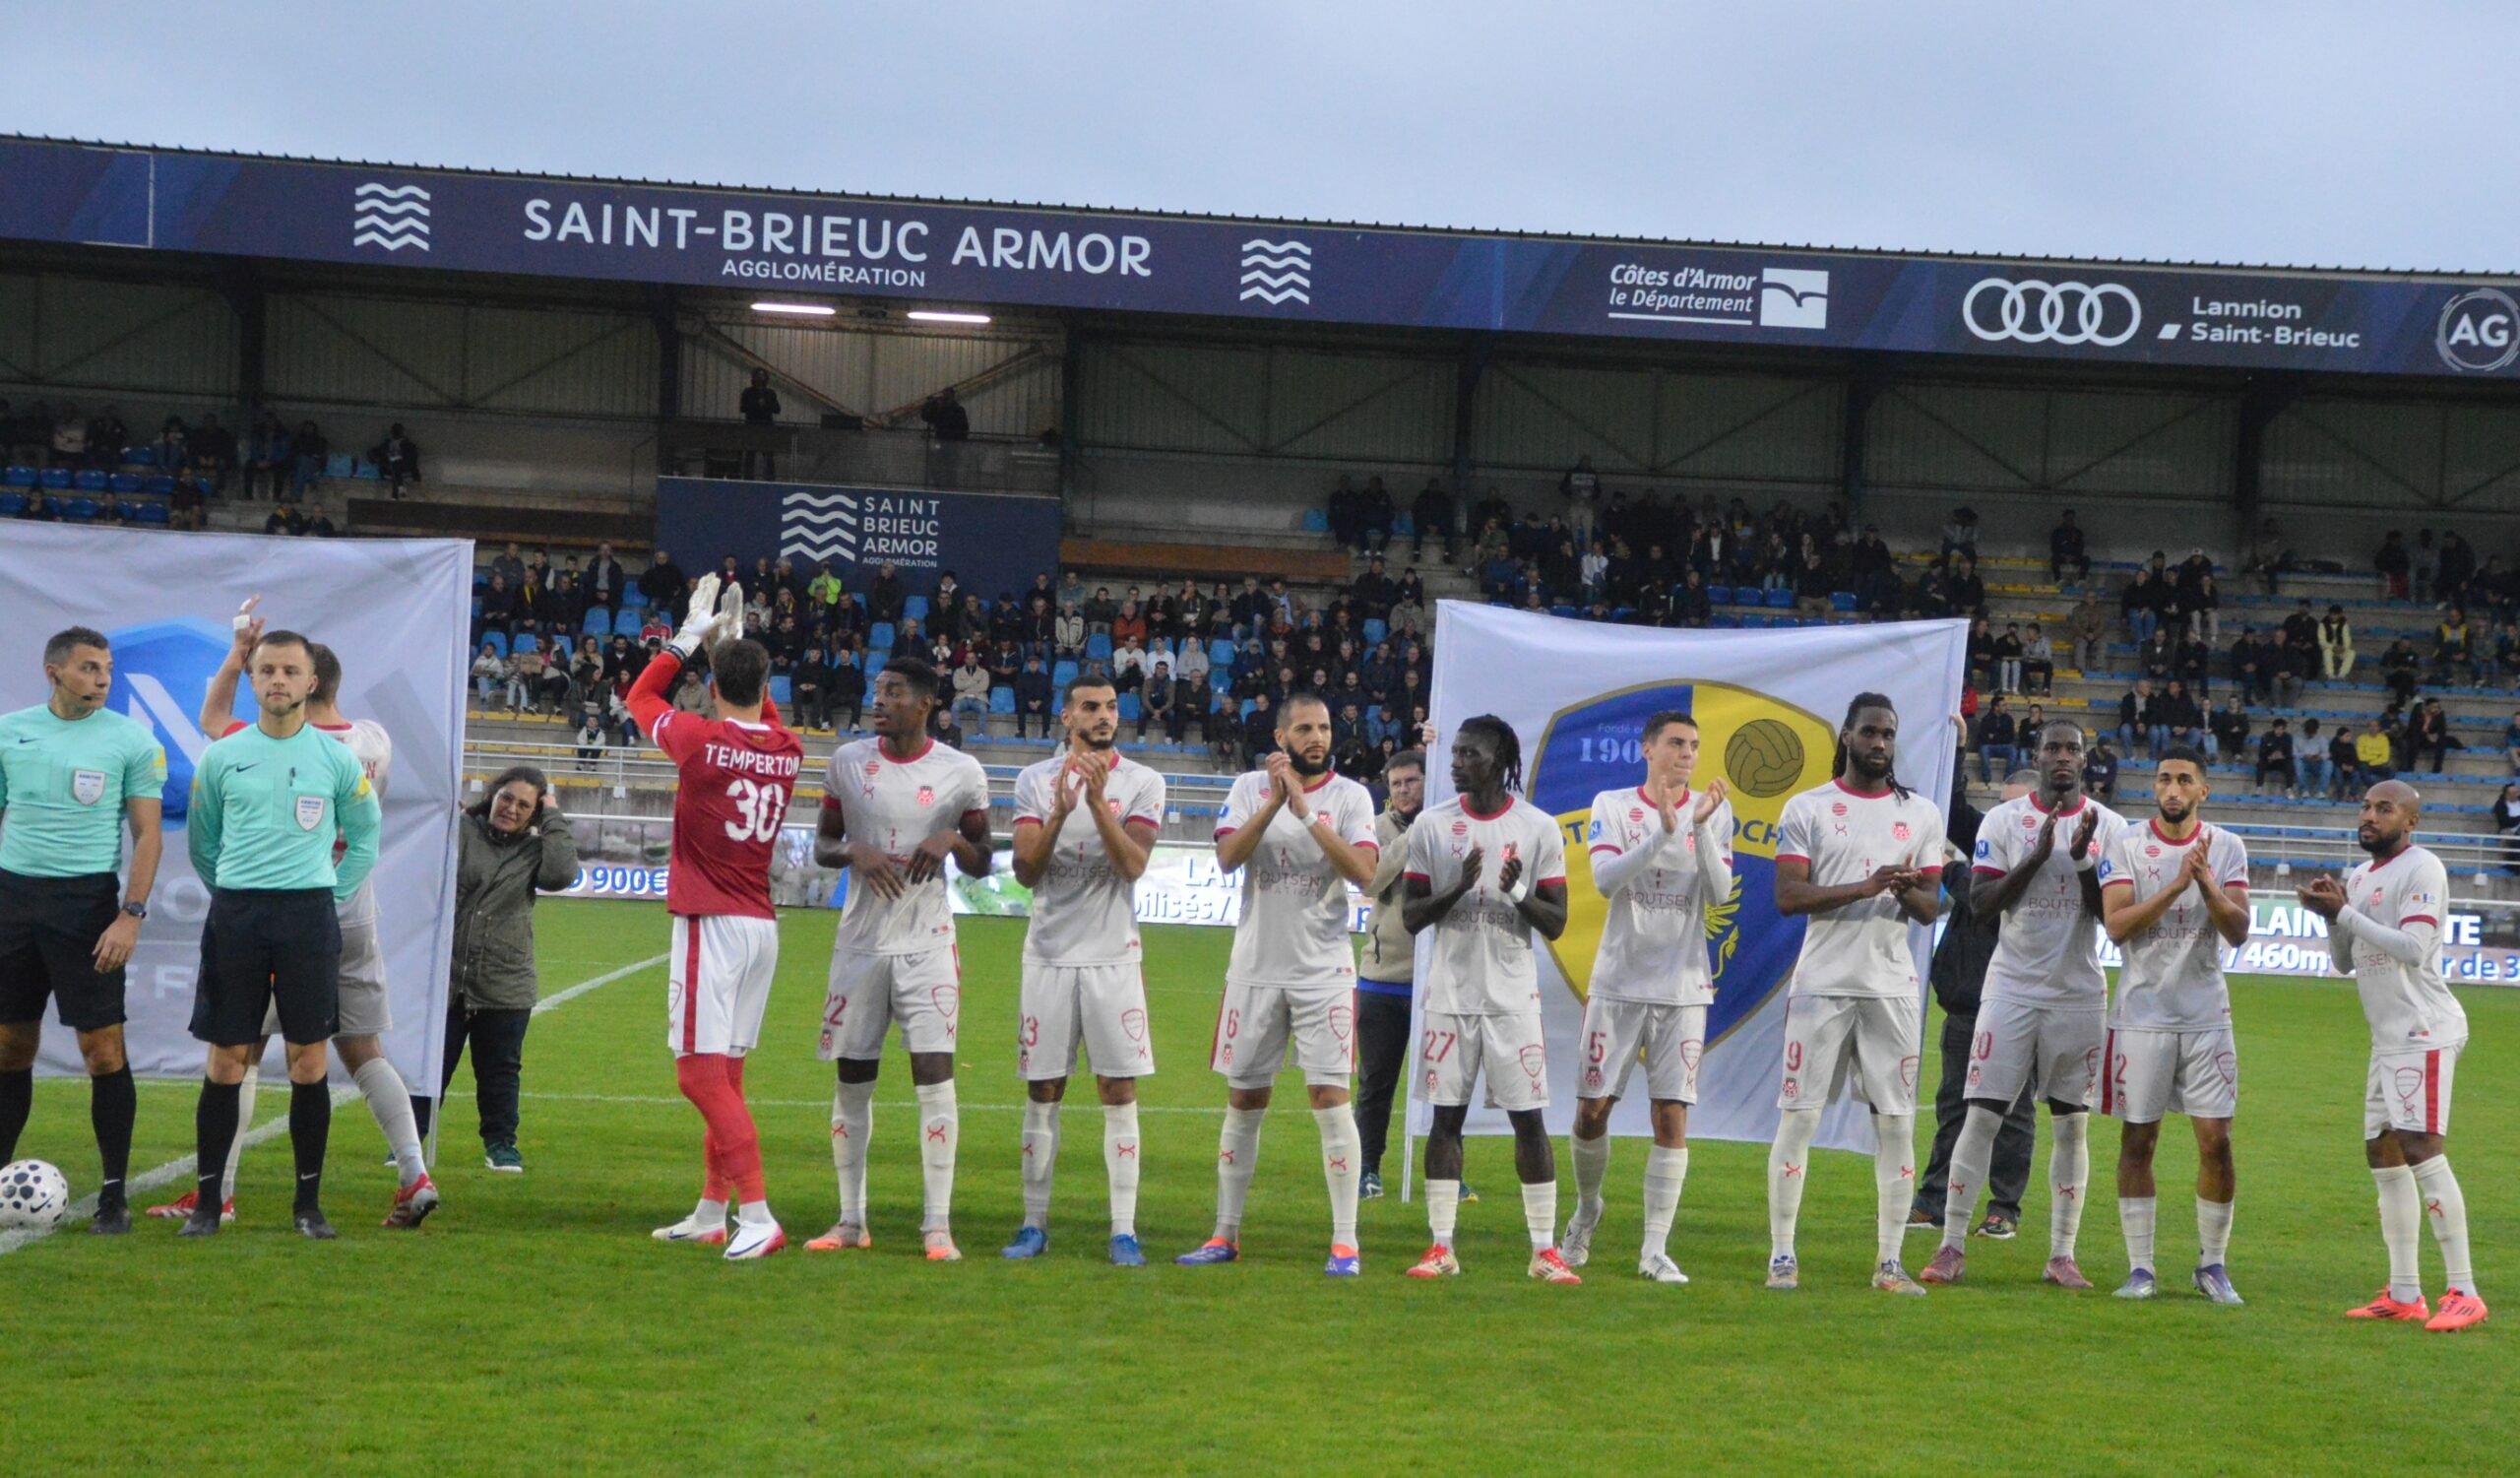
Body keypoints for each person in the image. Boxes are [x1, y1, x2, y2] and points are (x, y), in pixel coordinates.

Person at [159, 620, 437, 1225]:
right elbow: (204, 843)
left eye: (290, 670)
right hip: (269, 915)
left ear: (311, 682)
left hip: (311, 915)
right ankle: (214, 1203)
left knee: (291, 1057)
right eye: (267, 670)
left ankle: (276, 1202)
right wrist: (233, 893)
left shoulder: (329, 757)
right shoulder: (240, 755)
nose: (278, 680)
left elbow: (364, 838)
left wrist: (322, 895)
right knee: (262, 1054)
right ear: (255, 680)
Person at [630, 576, 803, 1260]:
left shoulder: (697, 739)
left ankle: (757, 1214)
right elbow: (763, 715)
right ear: (767, 685)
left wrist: (687, 637)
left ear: (709, 688)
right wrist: (729, 645)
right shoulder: (788, 749)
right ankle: (712, 1210)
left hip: (711, 918)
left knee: (698, 1076)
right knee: (726, 1076)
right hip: (761, 922)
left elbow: (640, 698)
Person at [1178, 695, 1380, 1276]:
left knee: (1329, 1097)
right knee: (1245, 1098)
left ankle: (1345, 1242)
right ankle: (1225, 1234)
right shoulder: (1248, 788)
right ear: (1280, 737)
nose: (1317, 737)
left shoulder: (1351, 796)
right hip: (1255, 970)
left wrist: (1307, 813)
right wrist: (1273, 804)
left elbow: (1365, 874)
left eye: (1324, 727)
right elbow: (1227, 857)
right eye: (1304, 728)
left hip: (1323, 973)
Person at [1922, 721, 2121, 1291]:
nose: (2062, 757)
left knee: (2072, 1126)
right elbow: (1983, 903)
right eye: (2052, 748)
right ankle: (1951, 1245)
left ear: (2083, 760)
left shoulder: (2110, 827)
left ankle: (2062, 1254)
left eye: (2072, 749)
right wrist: (2035, 859)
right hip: (2010, 987)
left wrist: (2080, 861)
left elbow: (2111, 917)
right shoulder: (2004, 822)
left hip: (2078, 993)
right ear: (2037, 756)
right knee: (1982, 1115)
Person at [809, 657, 992, 1261]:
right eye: (878, 690)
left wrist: (953, 839)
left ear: (925, 704)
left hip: (927, 945)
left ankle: (937, 1226)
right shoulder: (847, 762)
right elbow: (822, 844)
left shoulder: (961, 771)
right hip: (860, 945)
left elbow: (984, 860)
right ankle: (850, 1221)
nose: (880, 700)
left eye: (893, 692)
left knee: (934, 1078)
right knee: (852, 1081)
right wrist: (853, 851)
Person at [1767, 693, 1944, 1296]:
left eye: (1888, 734)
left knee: (1895, 1124)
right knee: (1799, 1118)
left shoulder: (1921, 814)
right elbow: (1788, 897)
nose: (1880, 743)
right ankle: (1783, 1254)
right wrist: (1867, 885)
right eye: (1869, 732)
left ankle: (1889, 1263)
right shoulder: (1808, 807)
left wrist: (1901, 889)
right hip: (1821, 984)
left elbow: (1929, 908)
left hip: (1891, 989)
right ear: (1847, 736)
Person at [2297, 781, 2488, 1333]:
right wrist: (2331, 915)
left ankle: (2464, 1291)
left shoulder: (2423, 867)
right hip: (2388, 1038)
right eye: (2365, 806)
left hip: (2423, 1029)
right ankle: (2404, 1292)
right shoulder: (2361, 877)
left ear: (2411, 822)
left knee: (2422, 1148)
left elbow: (2413, 948)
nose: (2370, 816)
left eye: (2384, 808)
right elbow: (2344, 962)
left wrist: (2346, 913)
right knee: (2382, 1153)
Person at [0, 627, 166, 1236]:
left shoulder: (131, 740)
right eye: (90, 668)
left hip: (87, 906)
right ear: (54, 672)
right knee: (10, 1047)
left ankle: (113, 1196)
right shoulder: (8, 731)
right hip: (12, 901)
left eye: (108, 669)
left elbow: (148, 835)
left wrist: (131, 914)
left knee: (102, 1051)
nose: (102, 679)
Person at [1400, 715, 1575, 1283]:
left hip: (1512, 1000)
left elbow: (1556, 922)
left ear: (1499, 760)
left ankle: (1545, 1251)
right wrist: (1457, 885)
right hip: (1449, 998)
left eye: (1469, 754)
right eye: (1455, 753)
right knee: (1444, 1120)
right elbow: (1411, 917)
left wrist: (1516, 889)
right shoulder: (1432, 825)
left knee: (1530, 1123)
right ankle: (1441, 1247)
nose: (1456, 763)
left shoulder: (1538, 827)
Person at [1001, 676, 1167, 1266]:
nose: (1103, 716)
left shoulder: (1143, 782)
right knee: (1043, 1089)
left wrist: (1096, 805)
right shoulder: (1034, 780)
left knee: (1118, 1090)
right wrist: (1059, 813)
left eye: (1111, 707)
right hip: (1047, 956)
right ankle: (1033, 1224)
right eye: (1091, 707)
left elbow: (1133, 865)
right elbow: (1025, 871)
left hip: (1113, 958)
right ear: (1067, 716)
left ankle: (1123, 1230)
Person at [1564, 711, 1734, 1285]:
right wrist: (1663, 832)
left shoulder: (1713, 809)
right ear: (1647, 749)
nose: (1687, 754)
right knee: (1592, 1110)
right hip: (1618, 982)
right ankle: (1587, 1210)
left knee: (1671, 1115)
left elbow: (1720, 892)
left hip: (1683, 986)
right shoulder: (1612, 805)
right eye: (1676, 743)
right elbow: (1605, 879)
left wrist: (1699, 828)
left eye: (1694, 745)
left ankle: (1654, 1249)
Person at [2092, 745, 2252, 1304]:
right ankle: (2141, 1268)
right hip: (2141, 1016)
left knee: (2217, 1143)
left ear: (2203, 790)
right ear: (2154, 787)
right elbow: (2116, 926)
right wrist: (2176, 886)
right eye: (2164, 779)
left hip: (2207, 1016)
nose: (2173, 788)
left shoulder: (2227, 847)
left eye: (2185, 779)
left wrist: (2205, 882)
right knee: (2139, 1139)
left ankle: (2212, 1264)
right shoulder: (2126, 845)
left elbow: (2238, 931)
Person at [410, 768, 578, 1162]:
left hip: (506, 980)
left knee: (500, 1071)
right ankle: (409, 1142)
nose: (511, 809)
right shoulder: (461, 830)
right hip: (447, 975)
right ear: (492, 795)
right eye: (506, 798)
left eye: (524, 805)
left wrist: (553, 815)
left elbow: (560, 874)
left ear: (535, 813)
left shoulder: (534, 851)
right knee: (431, 1066)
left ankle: (501, 1145)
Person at [1911, 768, 2041, 1240]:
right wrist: (1956, 746)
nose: (2004, 815)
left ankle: (2004, 1208)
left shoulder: (2044, 858)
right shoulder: (1992, 838)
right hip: (1965, 1002)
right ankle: (1933, 1202)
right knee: (1952, 1107)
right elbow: (1954, 810)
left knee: (2013, 1112)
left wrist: (1949, 867)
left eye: (2015, 806)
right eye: (2001, 805)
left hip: (2014, 1002)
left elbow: (1986, 899)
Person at [1352, 748, 1422, 1199]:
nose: (1403, 790)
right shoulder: (1374, 829)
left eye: (1412, 781)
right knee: (1376, 1084)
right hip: (1383, 977)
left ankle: (1445, 1173)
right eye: (1396, 784)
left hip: (1438, 979)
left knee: (1444, 1087)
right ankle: (1367, 1168)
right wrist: (1414, 836)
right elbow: (1371, 881)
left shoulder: (1451, 826)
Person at [739, 369, 781, 480]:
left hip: (766, 427)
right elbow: (743, 408)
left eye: (762, 375)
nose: (760, 378)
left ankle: (770, 479)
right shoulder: (748, 392)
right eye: (758, 375)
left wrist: (765, 405)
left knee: (768, 455)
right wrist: (756, 405)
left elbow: (777, 409)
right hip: (752, 427)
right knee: (750, 454)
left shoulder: (770, 393)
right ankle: (748, 479)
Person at [1977, 694, 2017, 784]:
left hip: (2004, 746)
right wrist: (2001, 737)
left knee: (2013, 750)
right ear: (1996, 707)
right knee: (1984, 749)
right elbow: (1983, 737)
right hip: (1990, 747)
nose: (2006, 707)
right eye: (2003, 705)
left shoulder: (2009, 719)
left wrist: (1994, 737)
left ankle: (2008, 778)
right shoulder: (1986, 719)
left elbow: (2010, 737)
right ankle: (1986, 779)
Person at [2256, 719, 2298, 795]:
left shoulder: (2288, 737)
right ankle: (2259, 787)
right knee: (2260, 763)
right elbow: (2261, 752)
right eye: (2277, 729)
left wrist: (2282, 756)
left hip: (2282, 762)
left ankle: (2289, 789)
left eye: (2281, 729)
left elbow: (2290, 753)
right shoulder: (2266, 736)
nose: (2279, 731)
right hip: (2270, 761)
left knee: (2290, 765)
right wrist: (2269, 756)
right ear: (2273, 728)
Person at [2049, 511, 2089, 584]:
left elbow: (2080, 547)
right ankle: (2058, 580)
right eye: (2068, 518)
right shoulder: (2057, 532)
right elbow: (2054, 547)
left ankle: (2081, 580)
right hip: (2061, 557)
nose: (2069, 521)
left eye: (2071, 518)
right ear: (2064, 519)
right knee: (2053, 559)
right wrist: (2063, 556)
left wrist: (2074, 556)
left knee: (2086, 559)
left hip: (2074, 557)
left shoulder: (2078, 532)